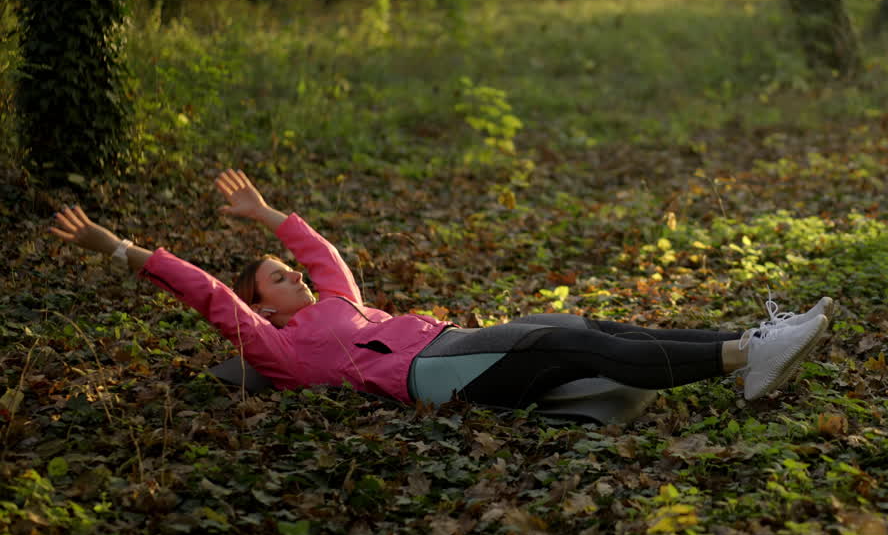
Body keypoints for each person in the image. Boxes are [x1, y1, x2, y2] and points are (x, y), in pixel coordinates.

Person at [49, 169, 832, 410]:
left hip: (454, 341)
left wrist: (269, 217)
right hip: (430, 376)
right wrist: (123, 250)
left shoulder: (336, 302)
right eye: (275, 280)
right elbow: (213, 300)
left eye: (285, 271)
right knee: (567, 344)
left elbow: (323, 255)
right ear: (266, 306)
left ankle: (755, 344)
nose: (292, 276)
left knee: (589, 323)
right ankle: (744, 358)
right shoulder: (280, 347)